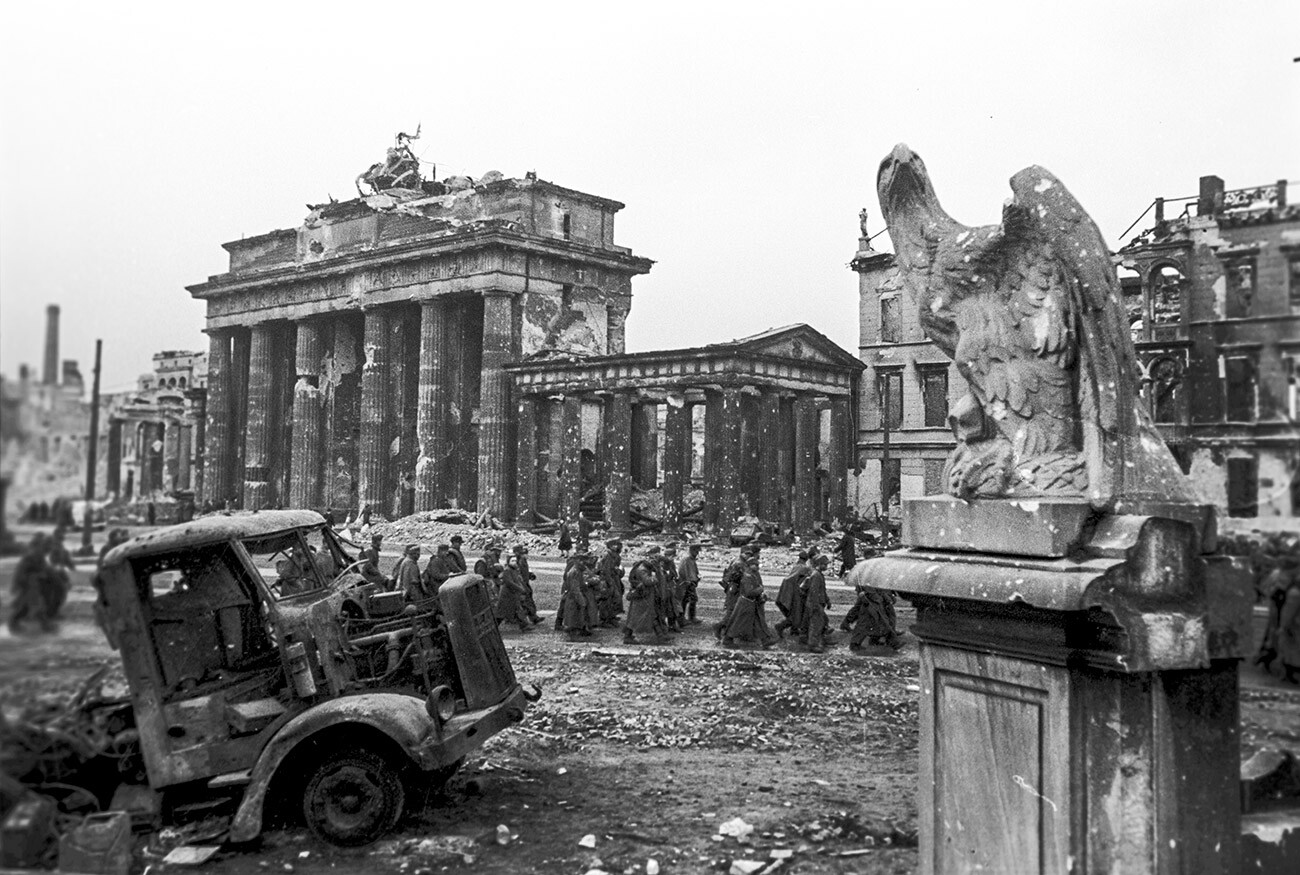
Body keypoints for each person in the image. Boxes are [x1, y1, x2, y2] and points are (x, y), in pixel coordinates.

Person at [719, 549, 776, 648]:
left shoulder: (751, 576)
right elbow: (749, 592)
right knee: (738, 623)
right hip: (745, 604)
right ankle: (727, 640)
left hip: (750, 603)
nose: (758, 567)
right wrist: (760, 589)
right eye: (756, 565)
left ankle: (765, 640)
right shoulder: (747, 577)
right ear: (750, 566)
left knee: (757, 623)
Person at [1258, 557, 1300, 683]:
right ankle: (1284, 670)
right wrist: (1282, 626)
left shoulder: (1288, 587)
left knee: (1285, 646)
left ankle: (1279, 665)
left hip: (1286, 621)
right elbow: (1286, 611)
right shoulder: (1292, 591)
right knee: (1286, 647)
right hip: (1287, 623)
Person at [9, 534, 55, 633]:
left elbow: (45, 571)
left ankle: (13, 622)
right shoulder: (32, 556)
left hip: (32, 584)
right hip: (27, 583)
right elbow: (22, 573)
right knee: (36, 603)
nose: (48, 550)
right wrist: (38, 575)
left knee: (26, 606)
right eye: (47, 547)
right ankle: (45, 624)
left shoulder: (41, 557)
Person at [842, 580, 903, 652]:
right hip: (870, 605)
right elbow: (870, 593)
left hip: (875, 604)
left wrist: (887, 598)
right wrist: (881, 599)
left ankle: (892, 643)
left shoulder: (873, 578)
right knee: (866, 625)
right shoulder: (866, 579)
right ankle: (854, 644)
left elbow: (880, 590)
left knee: (882, 623)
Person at [624, 548, 666, 645]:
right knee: (635, 618)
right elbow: (648, 581)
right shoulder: (642, 569)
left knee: (651, 615)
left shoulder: (645, 568)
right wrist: (655, 576)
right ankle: (627, 636)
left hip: (645, 597)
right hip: (642, 598)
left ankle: (661, 636)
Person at [774, 551, 811, 639]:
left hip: (792, 592)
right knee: (797, 614)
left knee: (796, 612)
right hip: (798, 593)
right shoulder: (804, 568)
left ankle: (794, 630)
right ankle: (780, 626)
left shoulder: (796, 566)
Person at [560, 554, 593, 640]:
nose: (583, 563)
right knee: (573, 617)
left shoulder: (578, 571)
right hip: (573, 598)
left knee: (578, 616)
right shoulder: (574, 572)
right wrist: (581, 600)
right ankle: (573, 636)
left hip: (576, 596)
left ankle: (580, 631)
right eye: (581, 561)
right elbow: (575, 588)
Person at [803, 555, 832, 652]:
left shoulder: (818, 575)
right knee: (815, 625)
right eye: (825, 564)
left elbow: (822, 590)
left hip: (818, 603)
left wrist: (827, 600)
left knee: (820, 623)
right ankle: (813, 645)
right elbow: (814, 591)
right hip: (815, 604)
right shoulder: (816, 575)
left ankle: (819, 641)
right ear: (819, 564)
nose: (826, 567)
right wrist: (815, 605)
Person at [495, 555, 532, 632]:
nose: (514, 562)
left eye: (515, 561)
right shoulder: (507, 570)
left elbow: (518, 581)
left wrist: (523, 588)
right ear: (508, 562)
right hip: (506, 595)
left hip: (513, 594)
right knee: (501, 613)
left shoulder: (514, 570)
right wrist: (520, 589)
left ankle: (524, 626)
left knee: (518, 610)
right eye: (512, 561)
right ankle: (494, 626)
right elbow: (509, 582)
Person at [597, 539, 625, 626]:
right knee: (607, 599)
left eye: (616, 544)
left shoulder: (614, 554)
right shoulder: (607, 555)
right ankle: (604, 620)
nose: (615, 546)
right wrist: (609, 582)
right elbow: (606, 570)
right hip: (607, 579)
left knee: (615, 598)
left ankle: (611, 616)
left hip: (614, 578)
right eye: (613, 544)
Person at [513, 545, 543, 624]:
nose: (524, 555)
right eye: (522, 553)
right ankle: (532, 618)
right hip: (520, 584)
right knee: (525, 601)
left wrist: (530, 575)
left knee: (526, 601)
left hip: (524, 583)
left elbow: (525, 571)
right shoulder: (516, 561)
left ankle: (532, 617)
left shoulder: (522, 560)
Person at [677, 542, 703, 624]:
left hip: (692, 583)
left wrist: (697, 578)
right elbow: (683, 571)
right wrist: (688, 581)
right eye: (696, 551)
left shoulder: (692, 560)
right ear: (692, 550)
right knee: (685, 600)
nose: (697, 554)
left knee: (693, 600)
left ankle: (691, 617)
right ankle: (682, 619)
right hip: (686, 583)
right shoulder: (686, 559)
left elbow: (694, 571)